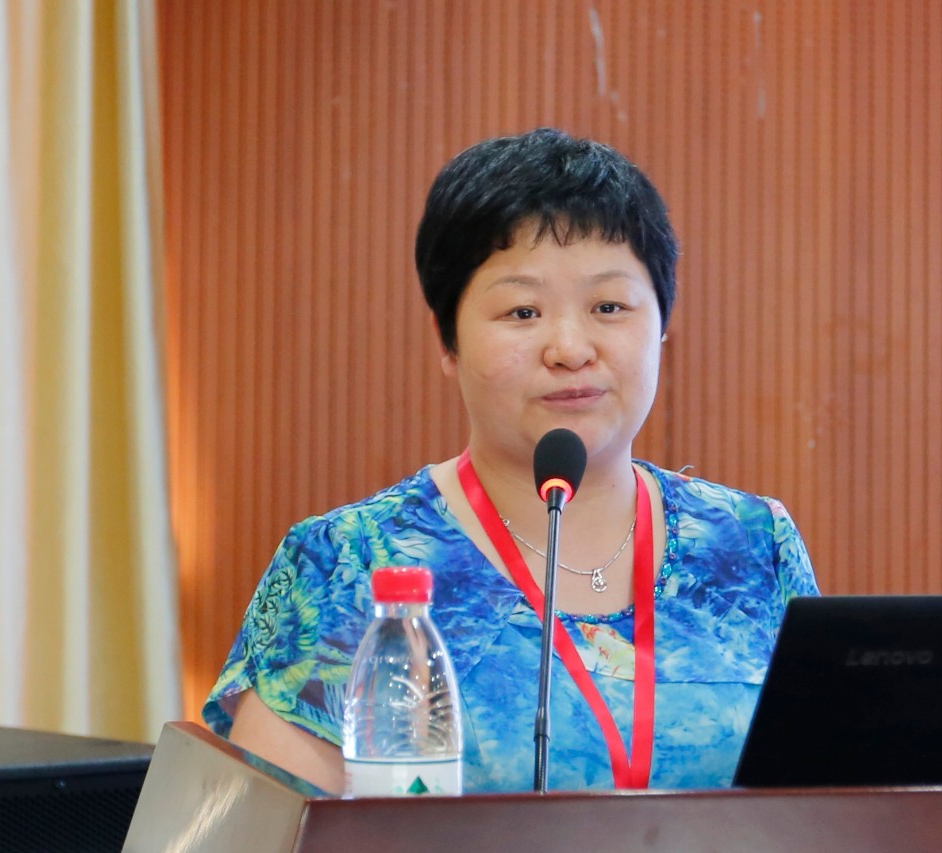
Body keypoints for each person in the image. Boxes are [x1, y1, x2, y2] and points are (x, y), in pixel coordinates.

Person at [204, 127, 820, 794]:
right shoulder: (352, 563)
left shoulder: (753, 545)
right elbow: (281, 829)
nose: (570, 348)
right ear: (448, 341)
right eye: (523, 311)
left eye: (609, 306)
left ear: (662, 324)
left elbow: (838, 799)